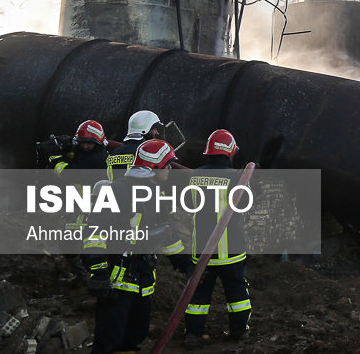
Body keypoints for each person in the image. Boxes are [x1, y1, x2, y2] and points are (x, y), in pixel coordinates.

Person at [84, 139, 191, 354]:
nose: (170, 169)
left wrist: (185, 262)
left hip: (143, 282)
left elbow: (167, 236)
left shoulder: (157, 195)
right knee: (109, 339)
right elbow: (94, 231)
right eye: (167, 165)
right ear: (154, 166)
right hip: (116, 282)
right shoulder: (117, 190)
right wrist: (98, 271)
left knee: (134, 337)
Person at [184, 130, 252, 345]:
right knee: (237, 292)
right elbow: (245, 205)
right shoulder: (237, 177)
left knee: (198, 294)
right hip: (231, 250)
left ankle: (193, 334)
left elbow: (190, 204)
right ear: (229, 152)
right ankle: (239, 332)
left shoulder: (194, 175)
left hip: (201, 249)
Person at [38, 120, 110, 282]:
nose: (86, 146)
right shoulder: (86, 152)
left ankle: (93, 280)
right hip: (80, 205)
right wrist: (66, 146)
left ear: (98, 143)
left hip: (93, 208)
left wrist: (55, 158)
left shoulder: (97, 159)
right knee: (68, 243)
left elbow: (68, 174)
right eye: (83, 142)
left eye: (90, 143)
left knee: (87, 245)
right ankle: (82, 276)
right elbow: (76, 157)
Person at [106, 110, 164, 180]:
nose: (157, 133)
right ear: (145, 130)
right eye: (154, 129)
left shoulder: (114, 153)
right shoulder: (146, 155)